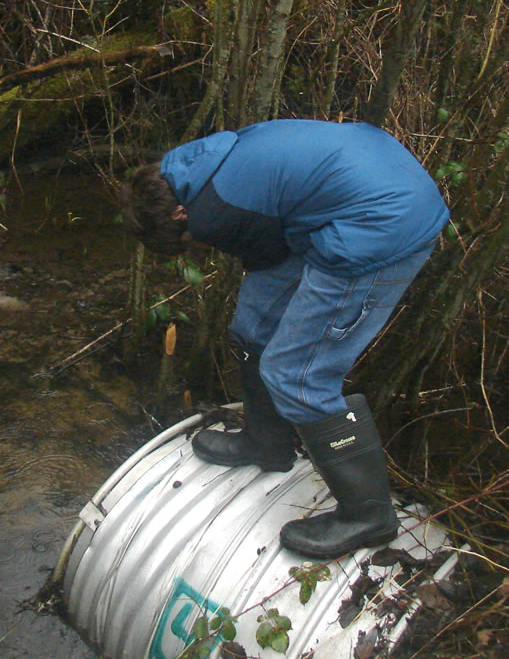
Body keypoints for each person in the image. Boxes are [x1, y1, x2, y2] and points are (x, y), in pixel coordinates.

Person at [121, 119, 449, 560]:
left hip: (378, 227)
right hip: (350, 201)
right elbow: (268, 251)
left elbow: (263, 248)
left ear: (180, 214)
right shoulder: (198, 165)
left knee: (296, 374)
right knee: (253, 329)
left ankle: (368, 516)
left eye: (186, 237)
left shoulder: (211, 208)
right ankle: (267, 442)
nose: (194, 240)